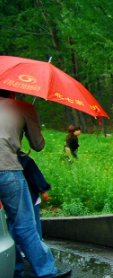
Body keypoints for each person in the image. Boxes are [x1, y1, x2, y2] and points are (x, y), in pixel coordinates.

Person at [0, 89, 71, 278]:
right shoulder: (22, 107)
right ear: (12, 92)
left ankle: (12, 270)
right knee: (23, 225)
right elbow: (38, 145)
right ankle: (46, 272)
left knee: (2, 228)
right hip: (7, 170)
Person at [18, 153, 52, 240]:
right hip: (30, 197)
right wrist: (43, 191)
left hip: (15, 200)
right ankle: (38, 245)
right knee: (35, 225)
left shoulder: (5, 158)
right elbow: (35, 176)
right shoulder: (24, 159)